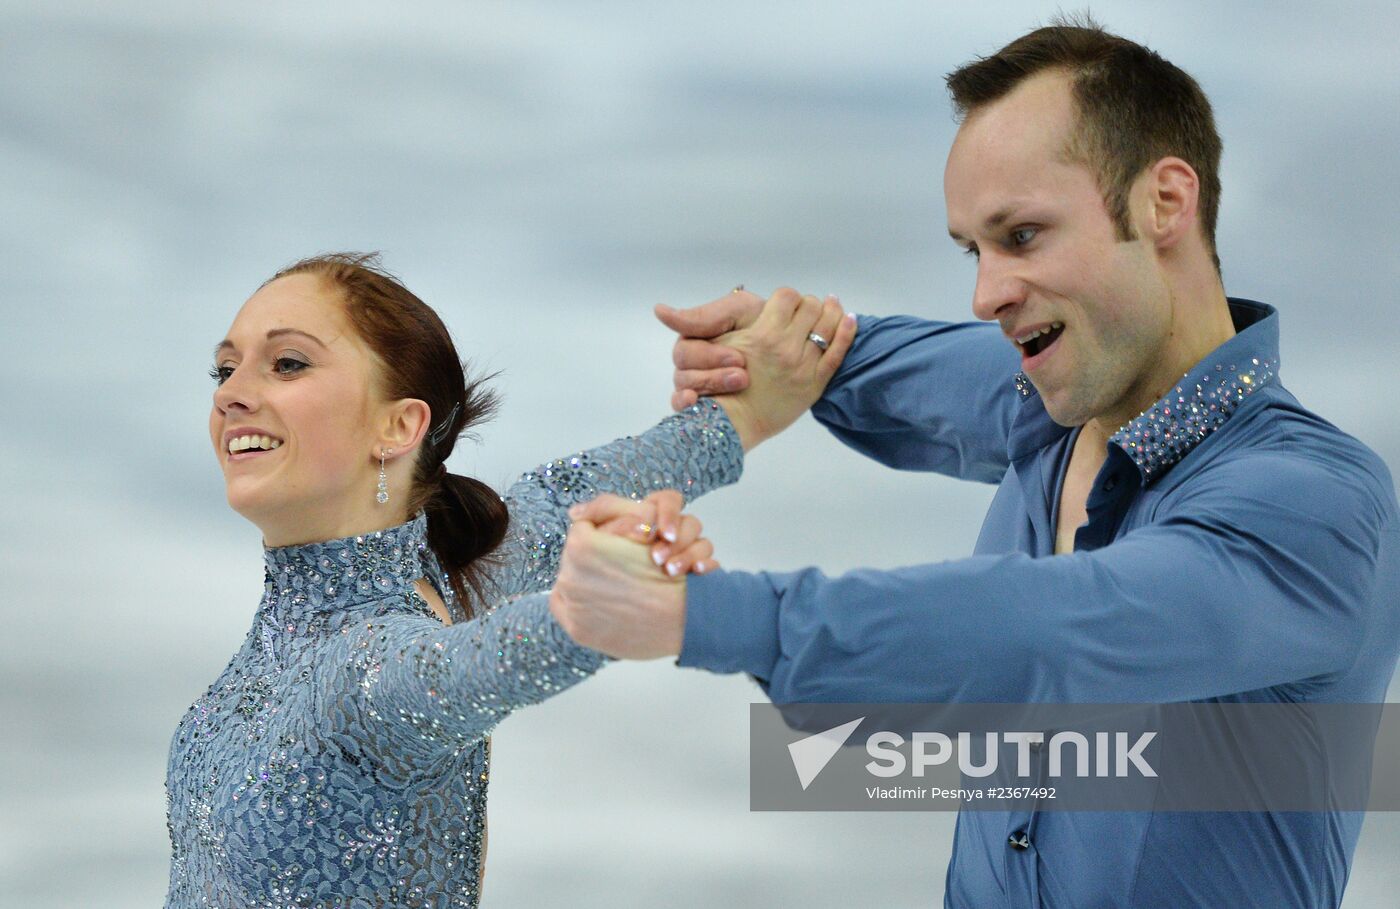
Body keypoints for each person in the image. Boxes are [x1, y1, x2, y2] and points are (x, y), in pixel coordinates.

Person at [549, 19, 1400, 908]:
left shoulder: (1318, 507)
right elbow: (880, 369)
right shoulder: (1058, 395)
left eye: (1023, 236)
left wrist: (706, 615)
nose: (986, 292)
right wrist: (767, 350)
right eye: (974, 249)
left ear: (1164, 203)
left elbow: (1048, 633)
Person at [165, 251, 815, 908]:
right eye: (225, 368)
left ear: (399, 426)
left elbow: (483, 661)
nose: (230, 393)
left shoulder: (370, 668)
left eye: (287, 363)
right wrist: (748, 405)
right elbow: (571, 492)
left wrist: (594, 611)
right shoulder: (452, 563)